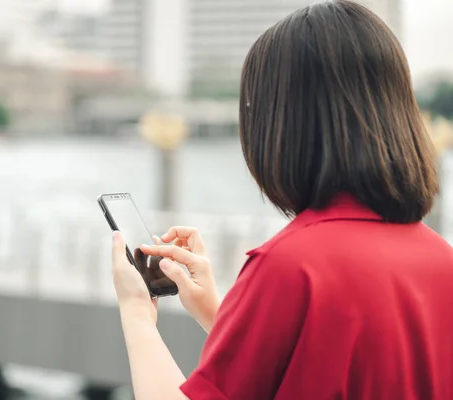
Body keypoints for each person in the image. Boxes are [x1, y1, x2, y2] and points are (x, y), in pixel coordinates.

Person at [110, 1, 453, 399]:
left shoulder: (292, 266)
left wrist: (136, 310)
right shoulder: (441, 259)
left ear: (279, 126)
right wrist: (217, 312)